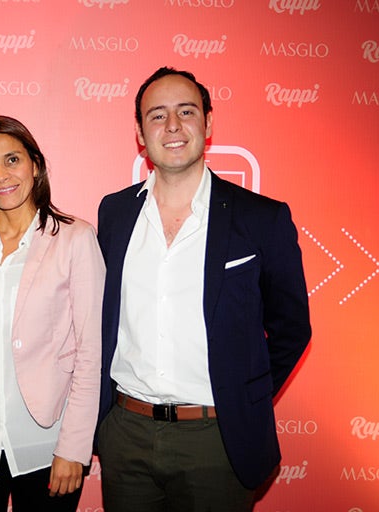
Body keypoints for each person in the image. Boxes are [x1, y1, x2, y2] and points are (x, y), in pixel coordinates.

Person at [95, 67, 312, 512]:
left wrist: (242, 394)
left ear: (208, 123)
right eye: (157, 115)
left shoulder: (262, 218)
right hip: (127, 433)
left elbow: (291, 329)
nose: (172, 126)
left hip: (218, 441)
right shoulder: (114, 213)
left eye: (186, 111)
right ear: (140, 132)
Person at [0, 116, 104, 512]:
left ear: (35, 164)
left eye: (12, 160)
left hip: (44, 444)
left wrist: (74, 447)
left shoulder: (75, 239)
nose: (1, 176)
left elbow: (89, 353)